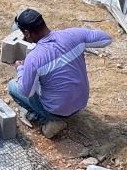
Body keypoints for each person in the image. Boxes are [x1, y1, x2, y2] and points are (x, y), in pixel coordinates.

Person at [7, 8, 112, 138]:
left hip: (58, 110)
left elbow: (26, 92)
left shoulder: (34, 58)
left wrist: (21, 69)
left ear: (27, 33)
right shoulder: (73, 35)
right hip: (81, 102)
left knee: (13, 86)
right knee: (46, 78)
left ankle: (47, 120)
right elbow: (106, 39)